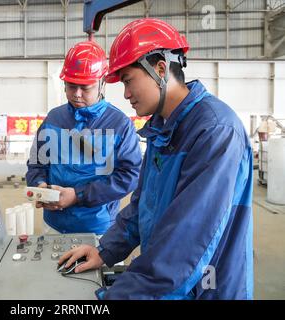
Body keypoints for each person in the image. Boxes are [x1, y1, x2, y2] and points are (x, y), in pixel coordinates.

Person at [58, 18, 254, 299]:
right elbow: (142, 208)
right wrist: (104, 251)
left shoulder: (214, 131)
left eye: (128, 80)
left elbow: (185, 246)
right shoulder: (163, 127)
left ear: (160, 68)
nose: (125, 94)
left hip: (205, 288)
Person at [25, 40, 142, 235]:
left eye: (85, 87)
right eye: (71, 86)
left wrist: (77, 196)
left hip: (98, 230)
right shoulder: (54, 119)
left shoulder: (119, 125)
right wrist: (40, 187)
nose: (77, 94)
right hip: (53, 226)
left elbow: (129, 176)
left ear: (101, 83)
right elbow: (37, 165)